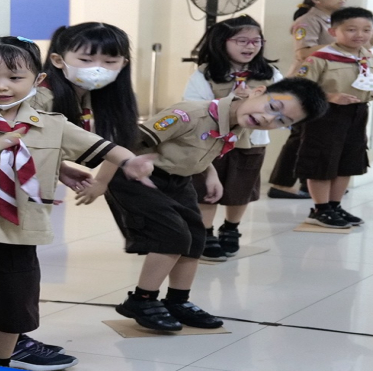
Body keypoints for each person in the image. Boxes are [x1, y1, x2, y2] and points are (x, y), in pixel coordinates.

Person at [0, 37, 156, 370]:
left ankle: (0, 366)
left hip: (17, 233)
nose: (0, 86)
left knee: (12, 308)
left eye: (15, 78)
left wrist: (130, 161)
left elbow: (103, 147)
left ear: (38, 79)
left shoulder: (53, 124)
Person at [0, 22, 139, 362]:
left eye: (109, 61)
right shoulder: (42, 95)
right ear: (59, 60)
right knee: (9, 272)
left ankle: (4, 337)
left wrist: (60, 168)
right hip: (1, 193)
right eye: (87, 59)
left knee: (14, 271)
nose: (97, 68)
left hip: (23, 193)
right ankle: (4, 340)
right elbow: (8, 138)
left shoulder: (88, 96)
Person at [110, 77, 328, 331]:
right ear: (258, 92)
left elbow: (202, 148)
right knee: (172, 236)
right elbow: (125, 144)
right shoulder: (189, 113)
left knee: (196, 238)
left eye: (281, 121)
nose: (269, 119)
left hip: (179, 180)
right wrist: (101, 182)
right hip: (139, 177)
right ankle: (141, 300)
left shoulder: (238, 123)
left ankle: (178, 301)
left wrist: (210, 174)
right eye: (273, 107)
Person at [183, 15, 283, 260]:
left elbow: (283, 103)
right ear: (222, 42)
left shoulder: (270, 73)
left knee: (242, 187)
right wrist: (231, 101)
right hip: (212, 141)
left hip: (252, 141)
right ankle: (205, 232)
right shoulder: (205, 74)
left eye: (256, 41)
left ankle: (231, 228)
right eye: (242, 41)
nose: (250, 46)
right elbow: (194, 107)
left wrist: (260, 102)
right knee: (206, 188)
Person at [295, 7, 373, 228]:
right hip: (325, 115)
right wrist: (331, 96)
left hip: (357, 113)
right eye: (351, 29)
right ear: (333, 31)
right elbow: (300, 89)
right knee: (322, 161)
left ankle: (334, 206)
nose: (360, 35)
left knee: (348, 161)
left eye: (366, 29)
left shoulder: (369, 57)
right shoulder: (320, 58)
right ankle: (320, 210)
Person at [268, 0, 346, 199]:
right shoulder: (307, 21)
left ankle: (308, 184)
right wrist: (342, 43)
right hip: (306, 86)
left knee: (316, 137)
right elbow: (303, 52)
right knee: (301, 137)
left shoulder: (337, 20)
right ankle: (281, 185)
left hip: (325, 85)